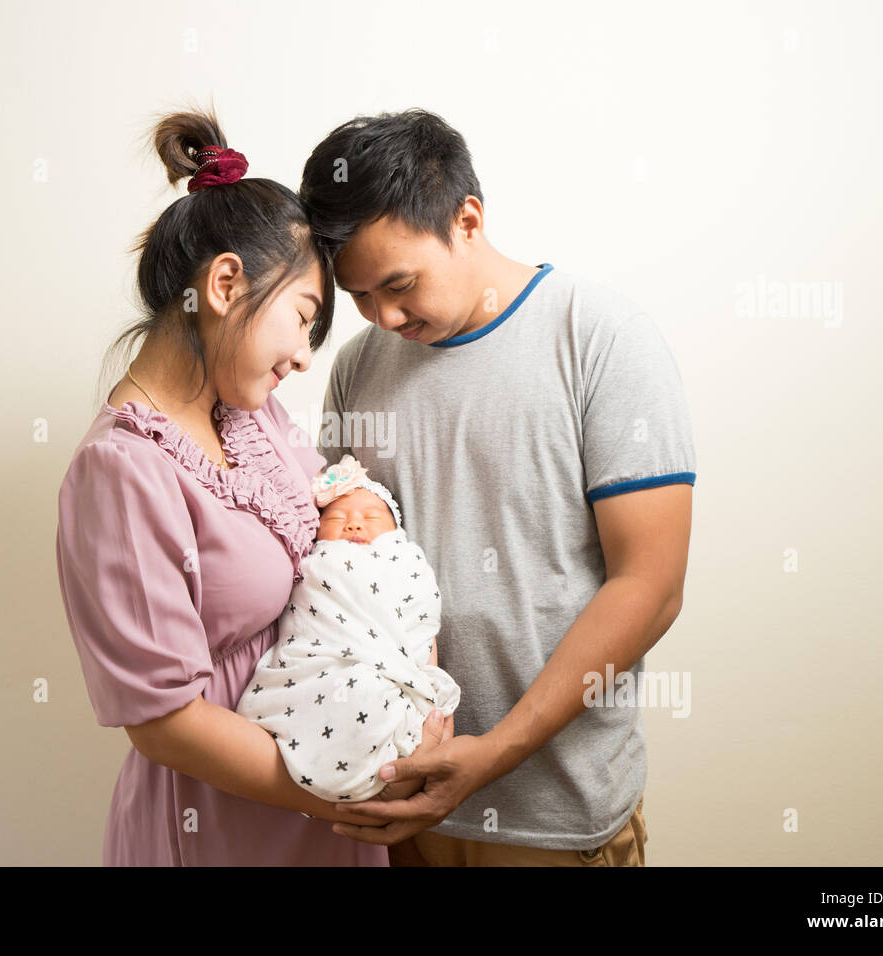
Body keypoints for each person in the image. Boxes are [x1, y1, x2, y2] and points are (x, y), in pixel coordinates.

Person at [298, 108, 696, 866]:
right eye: (358, 296)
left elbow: (651, 584)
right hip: (400, 812)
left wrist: (493, 754)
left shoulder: (600, 338)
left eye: (399, 283)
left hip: (555, 819)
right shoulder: (358, 366)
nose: (382, 315)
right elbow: (342, 571)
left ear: (468, 219)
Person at [54, 107, 445, 866]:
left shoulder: (250, 417)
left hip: (329, 818)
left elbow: (348, 548)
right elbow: (165, 722)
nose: (304, 358)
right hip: (226, 828)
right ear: (226, 283)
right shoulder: (122, 470)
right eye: (303, 319)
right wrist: (356, 786)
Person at [235, 455, 461, 805]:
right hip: (319, 657)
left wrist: (418, 667)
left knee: (370, 694)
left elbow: (422, 609)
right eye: (338, 518)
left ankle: (371, 742)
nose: (354, 526)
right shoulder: (318, 562)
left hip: (384, 663)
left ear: (397, 532)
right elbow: (307, 605)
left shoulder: (404, 559)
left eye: (371, 518)